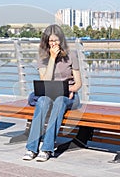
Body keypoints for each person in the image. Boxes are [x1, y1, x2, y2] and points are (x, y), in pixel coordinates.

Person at [22, 24, 82, 162]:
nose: (54, 43)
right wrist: (52, 59)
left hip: (68, 96)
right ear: (46, 42)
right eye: (51, 41)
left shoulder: (71, 55)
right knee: (42, 101)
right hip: (48, 95)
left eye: (56, 40)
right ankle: (31, 148)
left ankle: (47, 149)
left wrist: (70, 90)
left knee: (60, 101)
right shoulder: (42, 57)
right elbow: (46, 80)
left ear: (61, 40)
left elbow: (78, 83)